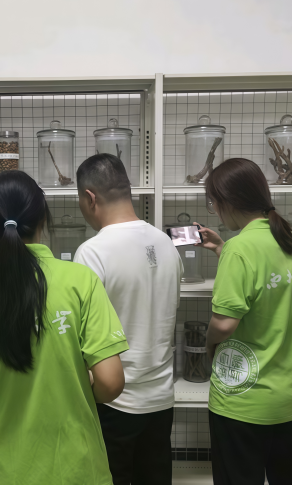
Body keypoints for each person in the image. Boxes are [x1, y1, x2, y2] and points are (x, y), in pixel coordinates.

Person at [0, 170, 129, 485]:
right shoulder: (81, 282)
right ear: (43, 220)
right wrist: (77, 387)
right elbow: (111, 382)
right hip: (78, 471)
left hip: (2, 472)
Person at [196, 158, 292, 485]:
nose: (215, 211)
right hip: (289, 396)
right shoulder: (290, 240)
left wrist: (208, 344)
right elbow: (265, 281)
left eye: (213, 202)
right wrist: (222, 249)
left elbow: (224, 324)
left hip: (244, 400)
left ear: (227, 202)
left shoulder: (240, 249)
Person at [73, 154, 183, 485]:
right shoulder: (167, 245)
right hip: (161, 399)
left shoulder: (92, 252)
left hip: (114, 401)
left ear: (90, 198)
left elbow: (81, 336)